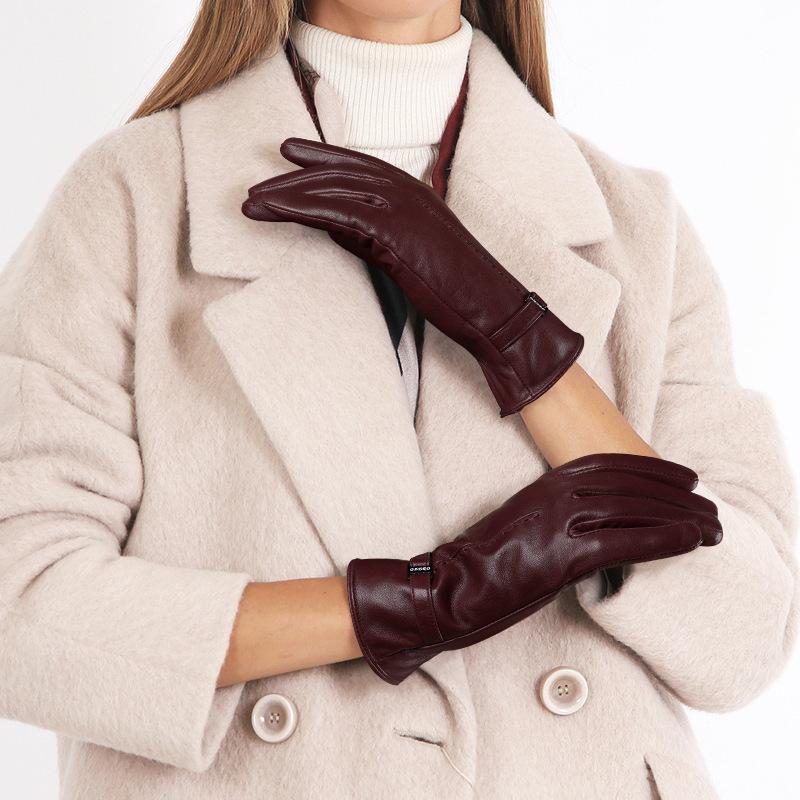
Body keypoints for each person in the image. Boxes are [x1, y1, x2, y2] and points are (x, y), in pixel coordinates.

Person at [0, 2, 795, 798]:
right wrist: (422, 601)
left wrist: (515, 332)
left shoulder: (635, 225)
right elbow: (18, 605)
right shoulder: (132, 199)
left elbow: (743, 639)